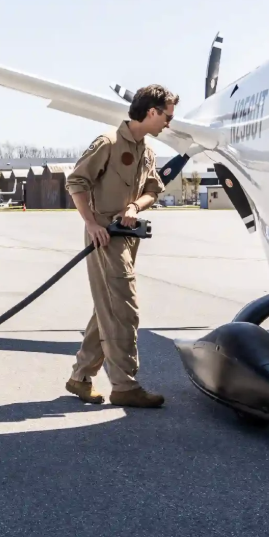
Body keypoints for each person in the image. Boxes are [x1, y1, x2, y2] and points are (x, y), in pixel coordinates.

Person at [64, 84, 178, 408]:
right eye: (166, 116)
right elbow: (76, 182)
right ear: (152, 112)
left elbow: (153, 190)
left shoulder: (147, 151)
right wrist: (90, 223)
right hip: (104, 238)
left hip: (127, 238)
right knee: (124, 308)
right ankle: (125, 385)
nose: (168, 124)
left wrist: (134, 207)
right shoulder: (108, 144)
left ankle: (80, 377)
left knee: (108, 307)